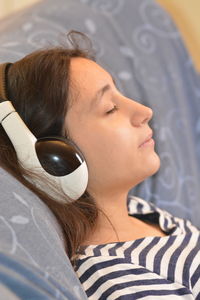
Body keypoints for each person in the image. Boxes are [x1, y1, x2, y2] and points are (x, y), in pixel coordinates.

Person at [0, 31, 199, 299]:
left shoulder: (139, 212)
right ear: (54, 157)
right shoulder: (119, 281)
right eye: (110, 108)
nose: (144, 111)